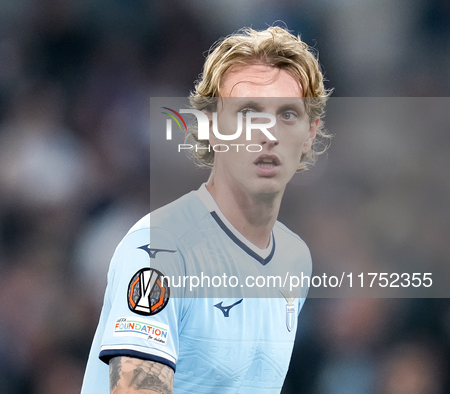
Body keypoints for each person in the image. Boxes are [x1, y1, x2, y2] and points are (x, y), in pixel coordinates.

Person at [81, 26, 331, 393]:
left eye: (288, 114)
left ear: (310, 132)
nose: (268, 133)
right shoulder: (160, 248)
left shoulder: (296, 258)